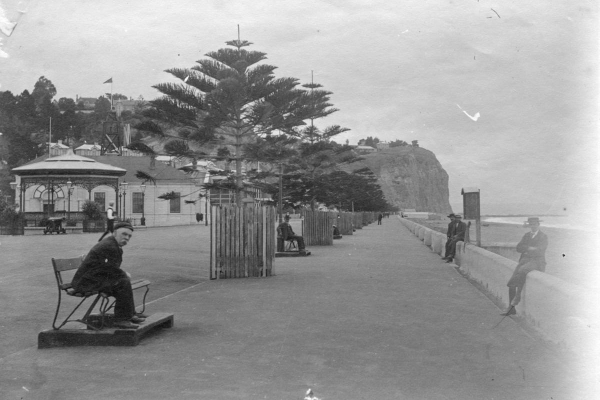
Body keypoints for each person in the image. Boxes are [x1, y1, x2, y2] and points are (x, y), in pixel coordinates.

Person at [72, 221, 145, 329]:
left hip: (93, 278)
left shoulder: (113, 244)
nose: (127, 238)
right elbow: (109, 268)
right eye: (124, 234)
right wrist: (123, 274)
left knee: (123, 281)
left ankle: (129, 315)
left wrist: (122, 274)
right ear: (115, 233)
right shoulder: (109, 246)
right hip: (84, 283)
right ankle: (122, 320)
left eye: (129, 236)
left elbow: (108, 268)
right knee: (123, 283)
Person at [500, 217, 548, 316]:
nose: (533, 226)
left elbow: (540, 250)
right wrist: (530, 248)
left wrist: (526, 249)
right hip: (525, 260)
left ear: (538, 225)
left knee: (522, 270)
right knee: (511, 283)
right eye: (531, 224)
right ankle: (511, 309)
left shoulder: (543, 236)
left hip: (537, 261)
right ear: (529, 225)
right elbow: (518, 248)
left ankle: (518, 296)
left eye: (535, 224)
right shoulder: (526, 235)